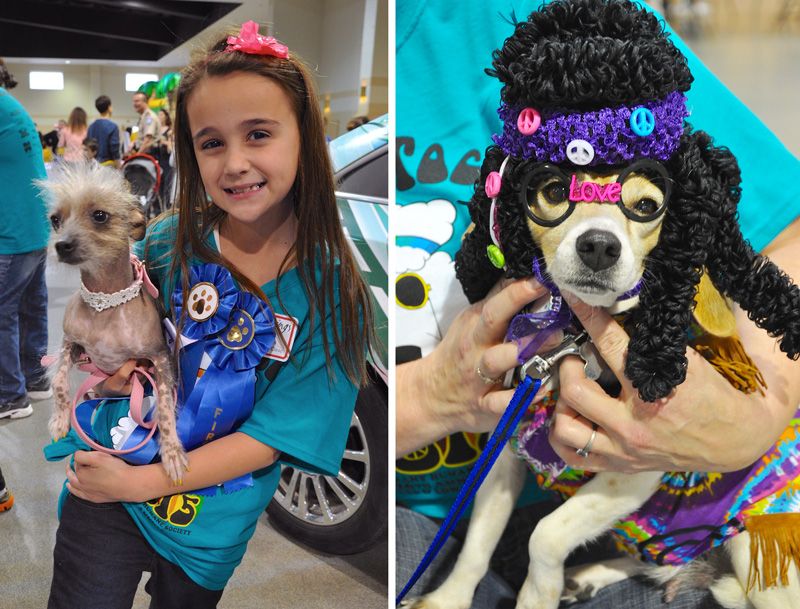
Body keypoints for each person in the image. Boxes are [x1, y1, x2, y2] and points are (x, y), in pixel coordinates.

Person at [395, 0, 800, 606]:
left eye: (640, 206)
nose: (597, 234)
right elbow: (510, 447)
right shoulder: (528, 315)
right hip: (457, 505)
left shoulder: (583, 36)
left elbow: (785, 229)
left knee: (772, 587)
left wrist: (767, 408)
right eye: (557, 192)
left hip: (751, 517)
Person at [44, 20, 376, 609]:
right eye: (212, 142)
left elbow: (273, 436)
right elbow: (110, 321)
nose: (235, 163)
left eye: (259, 134)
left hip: (213, 520)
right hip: (109, 485)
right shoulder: (170, 242)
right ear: (191, 153)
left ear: (305, 135)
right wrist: (107, 370)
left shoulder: (332, 292)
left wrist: (144, 481)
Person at [0, 61, 51, 420]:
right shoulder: (10, 105)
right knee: (31, 305)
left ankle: (9, 396)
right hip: (34, 225)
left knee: (3, 313)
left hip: (13, 230)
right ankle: (35, 379)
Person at [86, 94, 121, 167]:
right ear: (109, 107)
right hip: (108, 167)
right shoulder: (113, 127)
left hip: (93, 165)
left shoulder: (91, 127)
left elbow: (88, 147)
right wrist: (118, 166)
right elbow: (114, 149)